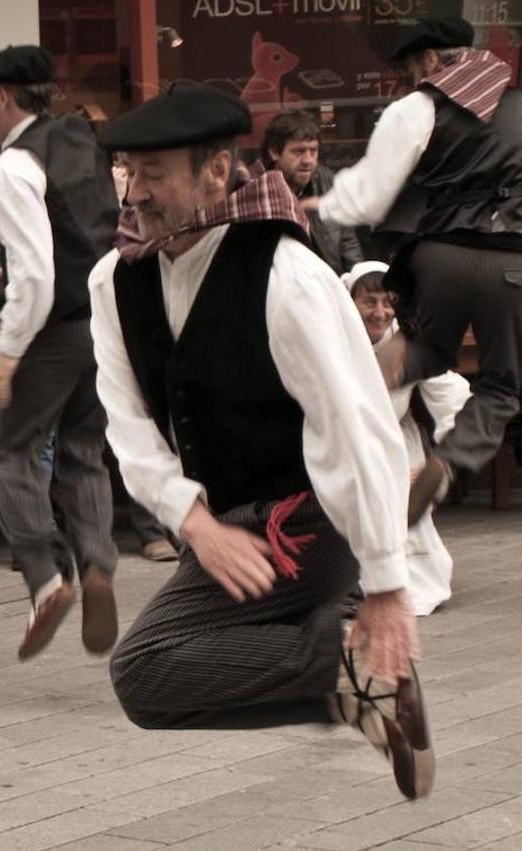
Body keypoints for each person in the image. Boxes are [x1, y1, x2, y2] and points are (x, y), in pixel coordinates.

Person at [90, 84, 432, 800]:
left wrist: (387, 584)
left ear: (217, 171)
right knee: (144, 677)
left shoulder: (289, 274)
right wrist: (192, 522)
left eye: (155, 173)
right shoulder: (114, 281)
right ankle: (353, 677)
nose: (136, 192)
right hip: (227, 526)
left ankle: (352, 650)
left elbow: (356, 426)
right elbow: (125, 421)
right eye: (129, 170)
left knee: (148, 664)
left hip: (312, 521)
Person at [303, 16, 522, 524]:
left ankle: (371, 380)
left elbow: (370, 196)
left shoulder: (415, 109)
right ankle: (448, 463)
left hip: (439, 257)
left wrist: (320, 206)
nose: (406, 82)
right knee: (502, 386)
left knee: (430, 350)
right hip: (511, 264)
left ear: (429, 60)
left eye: (407, 70)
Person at [0, 45, 122, 660]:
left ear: (3, 96)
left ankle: (45, 578)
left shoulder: (9, 167)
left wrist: (6, 351)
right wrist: (10, 276)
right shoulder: (81, 138)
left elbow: (39, 278)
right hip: (103, 322)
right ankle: (100, 569)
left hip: (53, 330)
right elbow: (81, 234)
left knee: (11, 452)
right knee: (84, 452)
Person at [344, 261, 470, 616]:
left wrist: (441, 462)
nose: (380, 312)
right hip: (340, 445)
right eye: (369, 303)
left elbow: (455, 400)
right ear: (351, 302)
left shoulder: (412, 346)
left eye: (387, 302)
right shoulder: (333, 342)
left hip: (394, 445)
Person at [259, 110, 363, 275]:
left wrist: (354, 283)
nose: (308, 160)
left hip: (328, 282)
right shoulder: (257, 192)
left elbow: (347, 242)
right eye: (298, 152)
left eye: (313, 151)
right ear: (274, 152)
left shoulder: (327, 181)